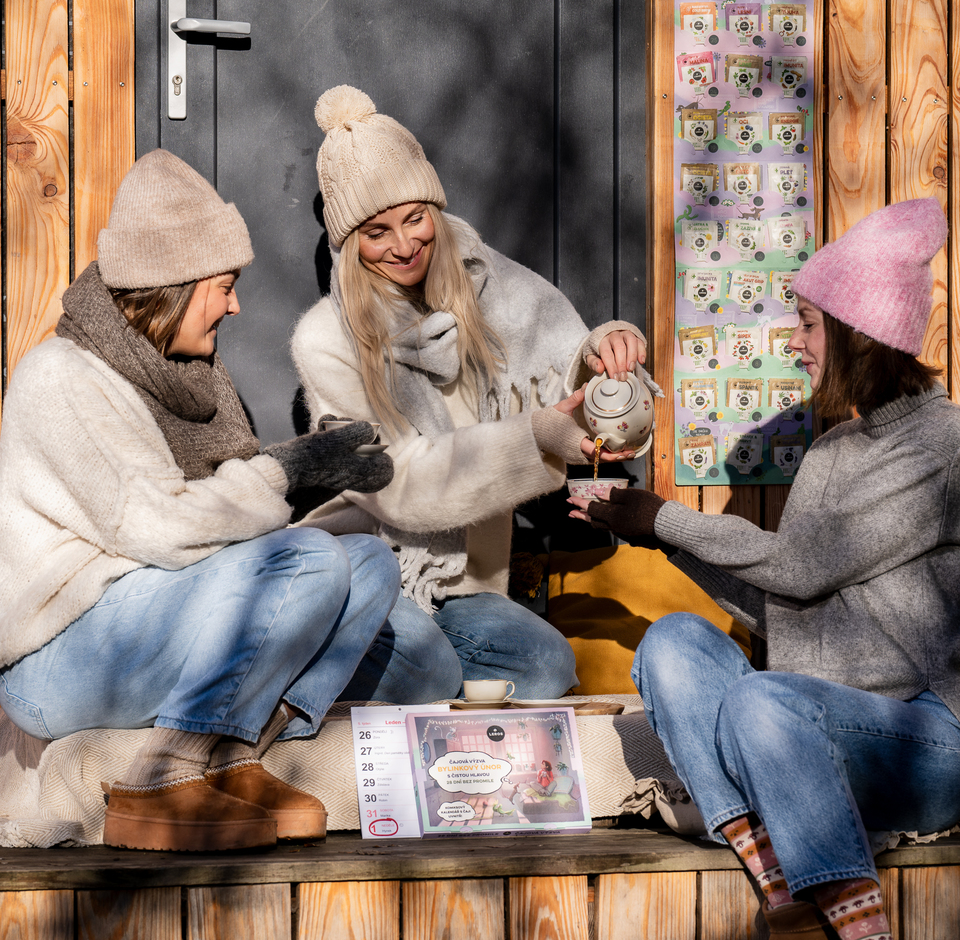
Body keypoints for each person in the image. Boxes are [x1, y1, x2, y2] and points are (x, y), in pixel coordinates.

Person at [569, 199, 960, 940]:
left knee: (763, 703)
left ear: (860, 334)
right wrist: (666, 542)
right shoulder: (831, 452)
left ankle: (853, 923)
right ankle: (784, 881)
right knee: (674, 645)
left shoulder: (941, 449)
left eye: (810, 324)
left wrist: (662, 517)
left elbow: (804, 565)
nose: (796, 342)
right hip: (798, 733)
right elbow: (787, 602)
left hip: (922, 745)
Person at [0, 150, 400, 853]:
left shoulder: (190, 378)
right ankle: (163, 774)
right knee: (309, 561)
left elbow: (219, 523)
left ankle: (235, 760)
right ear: (170, 286)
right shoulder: (61, 377)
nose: (237, 305)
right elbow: (159, 528)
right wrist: (287, 471)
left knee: (368, 563)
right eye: (223, 286)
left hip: (148, 616)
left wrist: (301, 471)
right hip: (61, 653)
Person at [291, 85, 653, 703]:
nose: (405, 246)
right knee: (428, 670)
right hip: (378, 570)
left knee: (544, 667)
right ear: (348, 244)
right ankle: (339, 646)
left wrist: (610, 357)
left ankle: (386, 671)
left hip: (470, 584)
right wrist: (536, 436)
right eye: (377, 232)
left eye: (415, 218)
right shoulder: (326, 338)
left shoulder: (491, 284)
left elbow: (580, 378)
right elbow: (400, 486)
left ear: (435, 208)